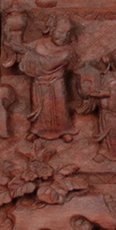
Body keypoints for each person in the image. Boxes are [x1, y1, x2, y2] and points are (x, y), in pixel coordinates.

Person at [15, 13, 76, 141]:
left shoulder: (67, 51)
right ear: (51, 29)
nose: (63, 36)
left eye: (67, 33)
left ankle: (63, 130)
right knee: (39, 108)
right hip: (39, 84)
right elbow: (23, 48)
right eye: (60, 32)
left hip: (56, 83)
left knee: (60, 108)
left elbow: (50, 64)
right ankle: (36, 130)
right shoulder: (39, 43)